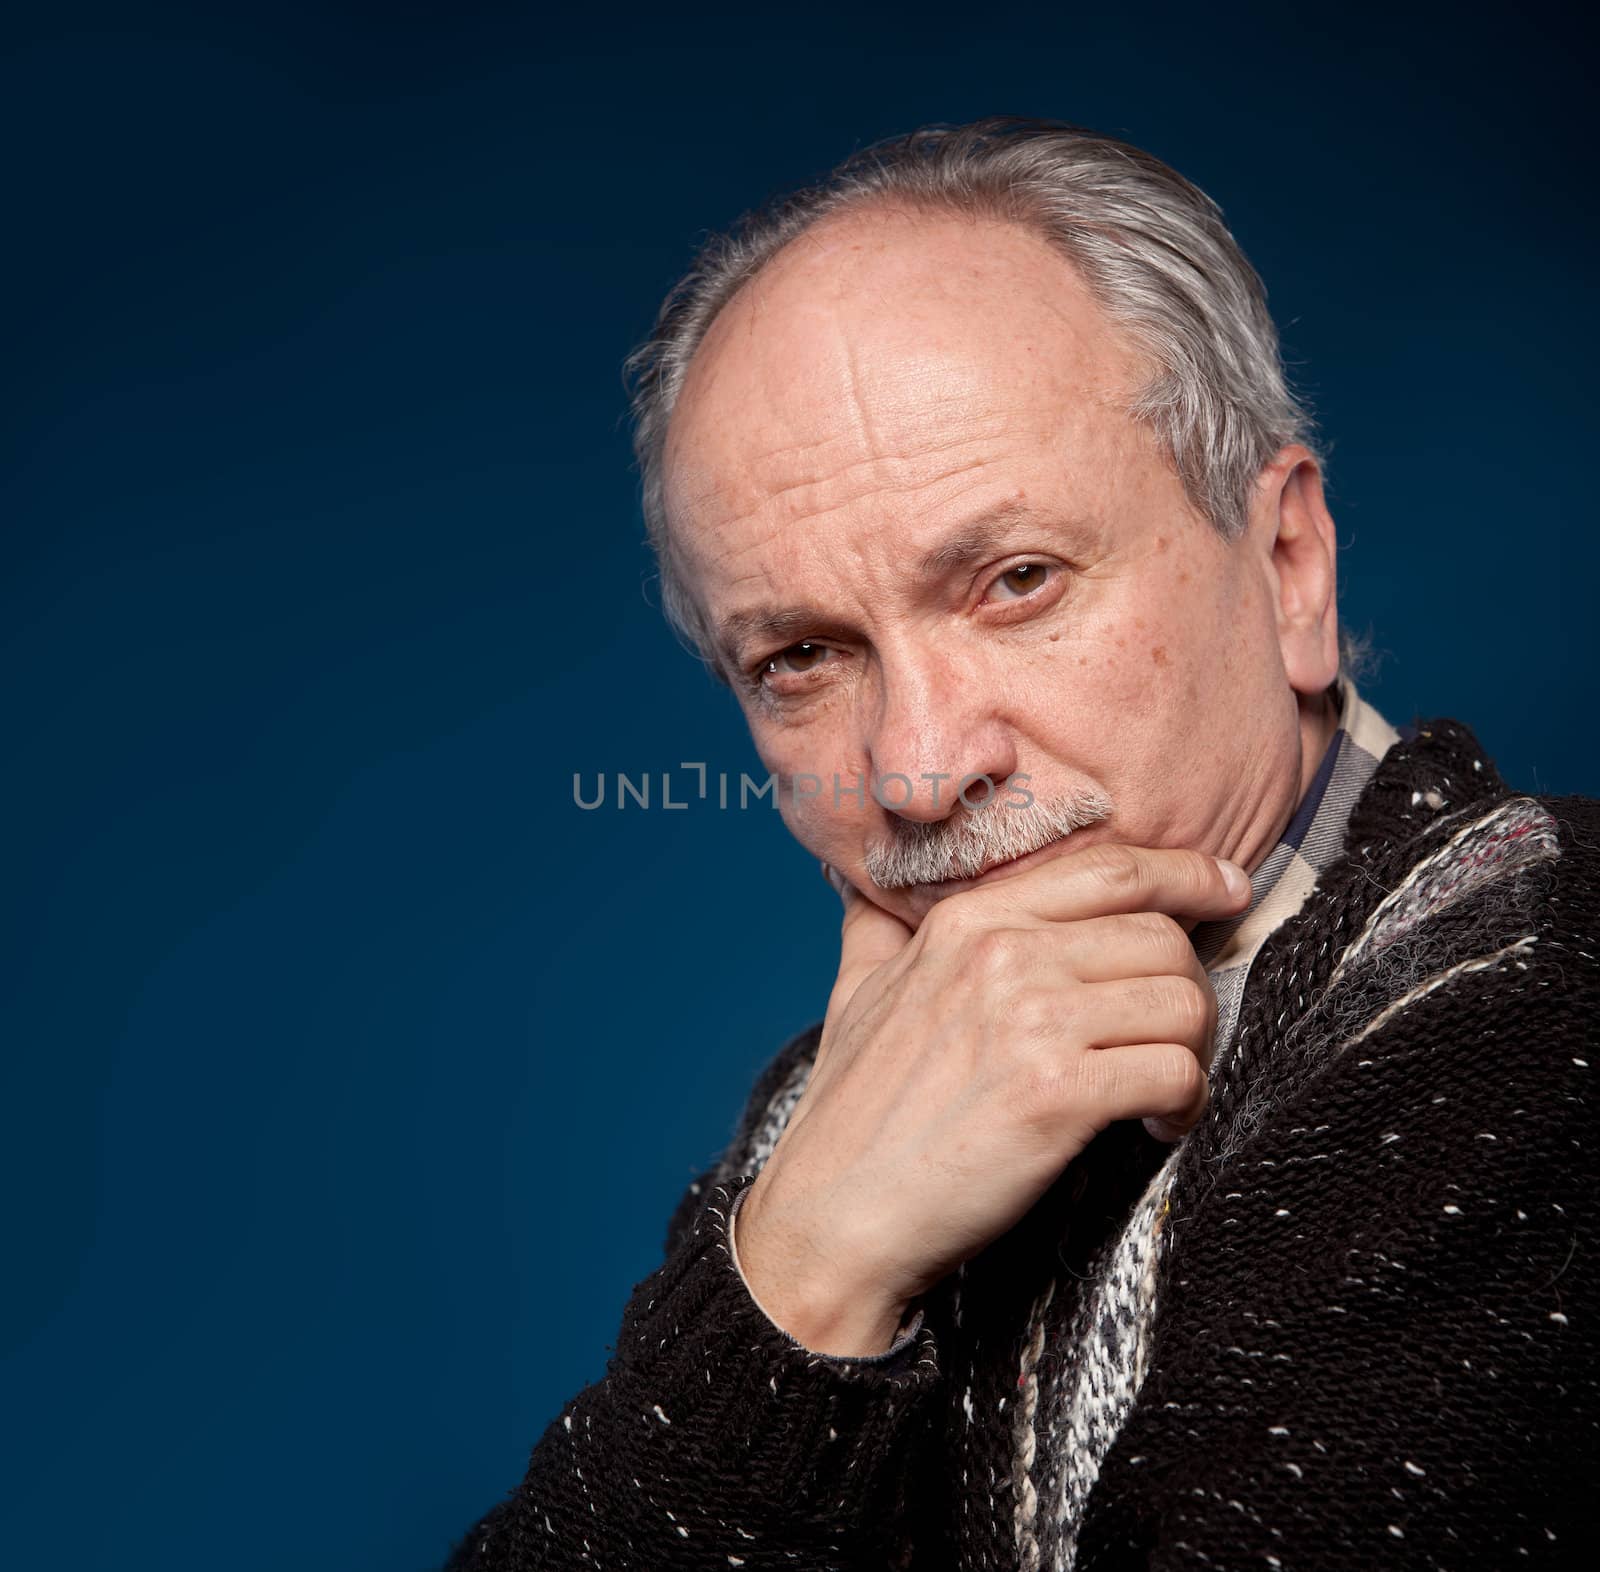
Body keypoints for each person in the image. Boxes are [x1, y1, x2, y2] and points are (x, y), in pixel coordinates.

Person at [446, 118, 1597, 1570]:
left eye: (1016, 582)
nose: (921, 768)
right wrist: (799, 1282)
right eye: (801, 656)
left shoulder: (1537, 1007)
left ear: (1290, 567)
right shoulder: (859, 1114)